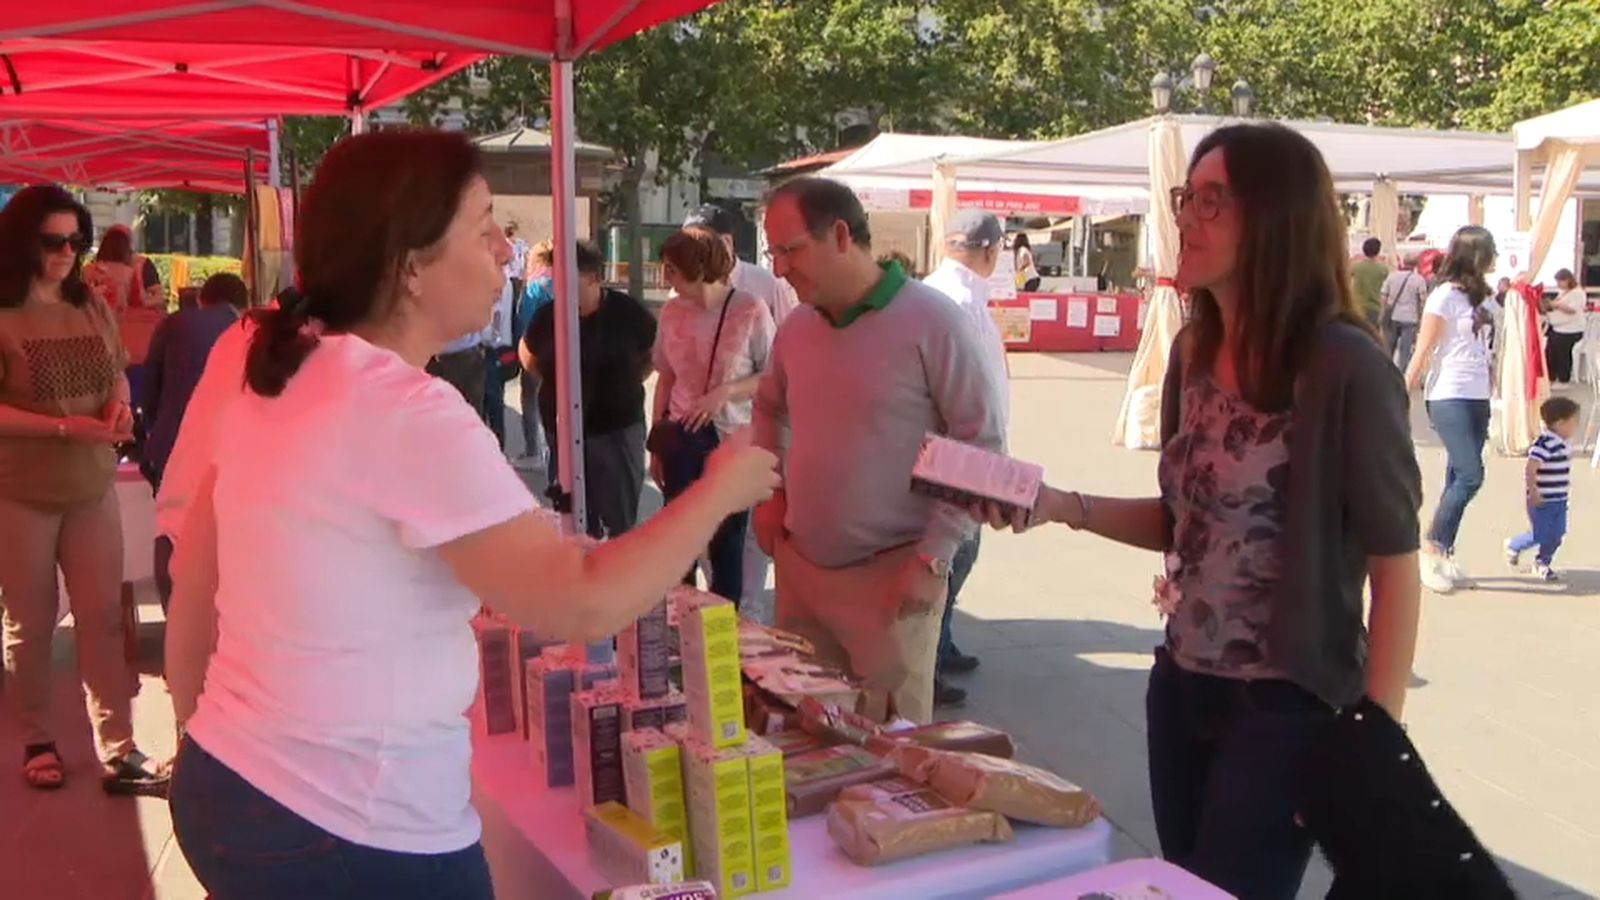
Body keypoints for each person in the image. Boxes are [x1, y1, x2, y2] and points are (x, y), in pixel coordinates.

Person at [164, 130, 778, 900]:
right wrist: (717, 490)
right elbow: (582, 599)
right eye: (483, 225)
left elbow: (203, 566)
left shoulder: (286, 368)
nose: (504, 251)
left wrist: (201, 726)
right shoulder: (406, 409)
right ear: (411, 265)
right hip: (354, 830)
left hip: (236, 782)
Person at [973, 123, 1422, 899]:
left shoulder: (1344, 363)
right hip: (1181, 686)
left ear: (1278, 218)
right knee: (1183, 887)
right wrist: (1060, 506)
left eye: (1214, 201)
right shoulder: (1190, 351)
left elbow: (1395, 562)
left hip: (1290, 708)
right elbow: (1188, 524)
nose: (1187, 218)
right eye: (1188, 197)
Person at [751, 177, 1003, 725]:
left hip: (894, 579)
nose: (779, 270)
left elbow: (981, 443)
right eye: (774, 254)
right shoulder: (795, 328)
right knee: (803, 732)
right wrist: (770, 496)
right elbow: (769, 408)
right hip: (801, 570)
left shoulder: (934, 321)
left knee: (894, 751)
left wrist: (934, 555)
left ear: (840, 234)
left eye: (790, 250)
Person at [0, 185, 168, 795]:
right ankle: (38, 737)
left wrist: (118, 408)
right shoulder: (5, 313)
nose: (68, 252)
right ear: (22, 242)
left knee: (101, 619)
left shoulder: (90, 303)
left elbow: (117, 370)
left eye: (77, 240)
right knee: (32, 620)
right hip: (19, 492)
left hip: (91, 485)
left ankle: (118, 748)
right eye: (53, 241)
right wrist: (66, 427)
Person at [651, 228, 776, 606]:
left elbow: (772, 375)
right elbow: (665, 377)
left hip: (731, 439)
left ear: (694, 267)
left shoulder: (749, 308)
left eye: (671, 268)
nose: (665, 276)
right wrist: (657, 444)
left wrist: (724, 392)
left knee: (728, 544)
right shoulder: (671, 312)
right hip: (681, 440)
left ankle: (724, 637)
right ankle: (679, 632)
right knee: (677, 541)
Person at [921, 209, 1013, 708]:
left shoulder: (958, 294)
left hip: (964, 449)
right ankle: (928, 661)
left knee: (962, 555)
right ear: (991, 251)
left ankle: (943, 642)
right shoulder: (955, 301)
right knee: (951, 557)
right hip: (956, 455)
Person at [520, 240, 657, 539]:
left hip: (616, 432)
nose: (557, 285)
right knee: (572, 522)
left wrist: (622, 384)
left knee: (619, 522)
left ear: (594, 278)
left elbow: (652, 357)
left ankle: (617, 580)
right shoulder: (547, 315)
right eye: (555, 276)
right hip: (564, 433)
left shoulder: (628, 314)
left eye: (567, 277)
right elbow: (528, 355)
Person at [1405, 226, 1497, 595]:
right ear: (1473, 255)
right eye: (1488, 252)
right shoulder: (1443, 297)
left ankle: (1445, 552)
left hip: (1479, 395)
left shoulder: (1485, 299)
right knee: (1472, 474)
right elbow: (1423, 349)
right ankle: (1432, 546)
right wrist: (1401, 392)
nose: (1492, 259)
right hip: (1448, 393)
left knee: (1456, 474)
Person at [140, 272, 248, 494]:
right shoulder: (250, 332)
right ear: (244, 305)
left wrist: (156, 430)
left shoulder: (175, 323)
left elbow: (149, 387)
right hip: (228, 455)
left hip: (172, 449)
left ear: (201, 299)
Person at [684, 204, 799, 328]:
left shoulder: (766, 284)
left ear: (727, 242)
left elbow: (788, 334)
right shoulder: (685, 285)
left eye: (701, 244)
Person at [1505, 396, 1579, 583]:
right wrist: (1533, 490)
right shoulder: (1544, 444)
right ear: (1560, 423)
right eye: (1573, 422)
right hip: (1541, 499)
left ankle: (1542, 561)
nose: (1575, 427)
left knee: (1558, 533)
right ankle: (1515, 544)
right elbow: (1531, 467)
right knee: (1541, 533)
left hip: (1560, 499)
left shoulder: (1563, 443)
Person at [514, 240, 554, 470]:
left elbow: (525, 321)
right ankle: (554, 450)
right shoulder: (565, 283)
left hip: (537, 351)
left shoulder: (535, 287)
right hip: (561, 353)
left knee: (530, 401)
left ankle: (533, 451)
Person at [481, 275, 516, 449]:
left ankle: (495, 450)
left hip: (490, 348)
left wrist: (490, 337)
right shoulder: (504, 280)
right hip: (498, 347)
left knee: (489, 402)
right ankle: (498, 449)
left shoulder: (496, 279)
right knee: (495, 404)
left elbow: (496, 313)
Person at [1379, 253, 1427, 366]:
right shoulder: (1419, 280)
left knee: (1389, 348)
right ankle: (1402, 375)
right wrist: (1421, 318)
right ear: (1416, 265)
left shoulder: (1392, 276)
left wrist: (1385, 310)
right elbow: (1423, 301)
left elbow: (1383, 296)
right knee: (1405, 351)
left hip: (1393, 316)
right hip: (1410, 318)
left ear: (1403, 262)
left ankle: (1387, 372)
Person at [1543, 268, 1586, 384]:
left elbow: (1572, 310)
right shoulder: (1563, 292)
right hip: (1558, 328)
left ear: (1567, 280)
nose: (1558, 284)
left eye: (1559, 282)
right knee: (1550, 353)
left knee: (1563, 355)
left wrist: (1557, 304)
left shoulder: (1578, 293)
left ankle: (1563, 379)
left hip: (1570, 330)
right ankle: (1551, 377)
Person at [1350, 236, 1390, 327]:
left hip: (1358, 305)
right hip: (1375, 306)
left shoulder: (1356, 267)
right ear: (1378, 251)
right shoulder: (1383, 269)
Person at [504, 223, 529, 308]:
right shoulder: (505, 244)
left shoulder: (520, 243)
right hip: (510, 275)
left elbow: (525, 255)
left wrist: (525, 270)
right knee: (511, 300)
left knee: (518, 298)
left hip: (519, 275)